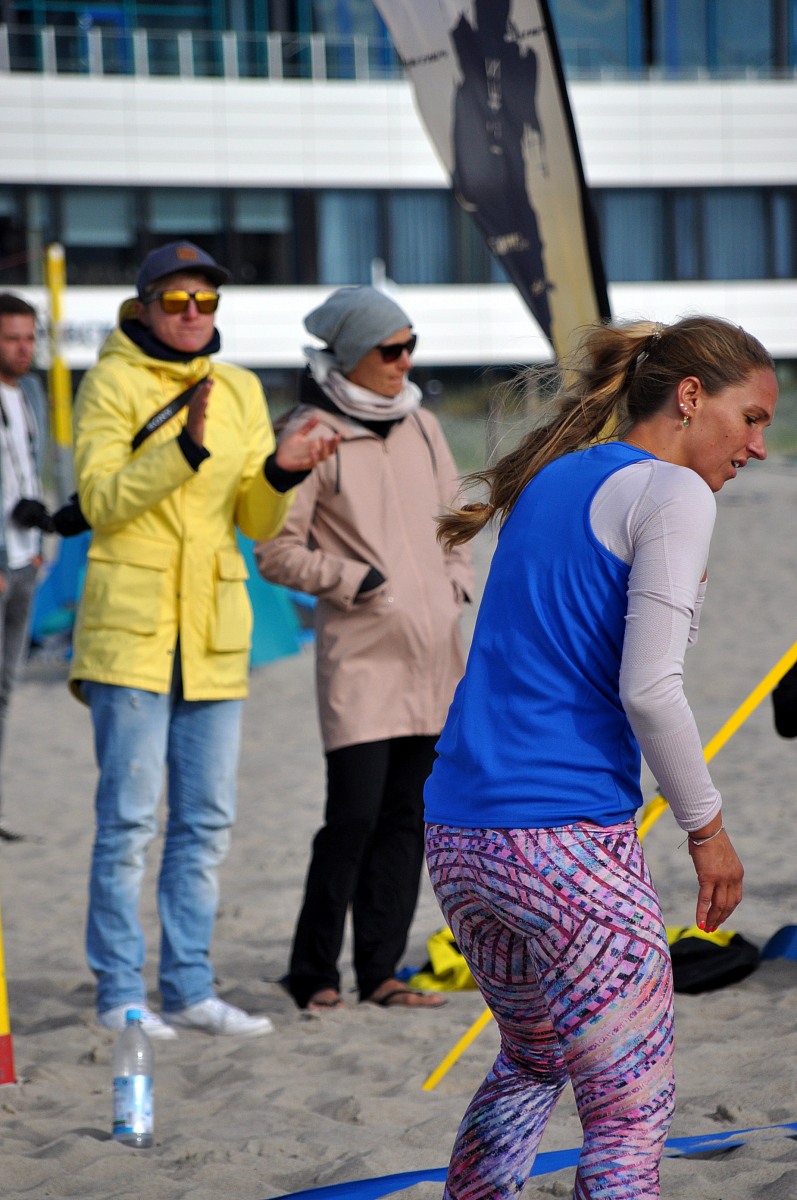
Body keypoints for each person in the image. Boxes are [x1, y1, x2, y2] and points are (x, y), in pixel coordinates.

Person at [423, 316, 778, 1198]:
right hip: (562, 839)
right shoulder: (672, 492)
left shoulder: (556, 475)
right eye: (750, 419)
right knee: (627, 1112)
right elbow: (649, 689)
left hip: (459, 831)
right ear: (689, 397)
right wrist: (706, 829)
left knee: (532, 1058)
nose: (759, 447)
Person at [68, 241, 339, 1040]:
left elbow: (253, 520)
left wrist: (282, 471)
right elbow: (99, 501)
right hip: (130, 633)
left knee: (205, 824)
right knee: (127, 824)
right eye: (177, 300)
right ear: (144, 306)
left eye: (207, 301)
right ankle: (121, 992)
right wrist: (182, 449)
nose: (193, 313)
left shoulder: (241, 388)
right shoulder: (110, 382)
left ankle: (189, 988)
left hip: (214, 636)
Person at [255, 285, 473, 1012]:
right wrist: (358, 581)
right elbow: (275, 552)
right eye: (390, 348)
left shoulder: (424, 425)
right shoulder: (310, 434)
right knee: (351, 818)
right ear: (351, 353)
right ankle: (312, 972)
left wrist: (454, 585)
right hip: (361, 654)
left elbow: (454, 524)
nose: (405, 360)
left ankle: (380, 973)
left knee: (408, 819)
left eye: (411, 345)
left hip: (435, 654)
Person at [0, 293, 50, 843]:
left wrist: (36, 545)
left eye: (29, 337)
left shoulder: (31, 392)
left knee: (6, 688)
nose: (23, 348)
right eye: (11, 337)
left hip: (25, 560)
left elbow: (32, 467)